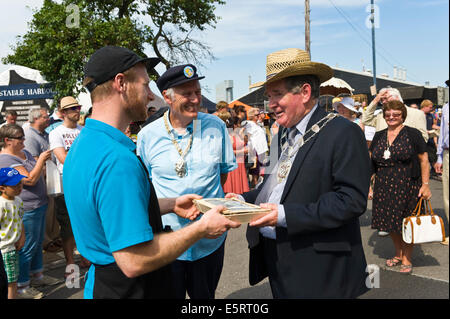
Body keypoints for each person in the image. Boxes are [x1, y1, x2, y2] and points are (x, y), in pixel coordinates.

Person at [63, 46, 240, 299]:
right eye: (145, 85)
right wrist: (202, 228)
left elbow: (112, 208)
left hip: (103, 284)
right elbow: (133, 260)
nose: (149, 96)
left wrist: (169, 204)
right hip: (127, 289)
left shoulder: (85, 144)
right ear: (121, 83)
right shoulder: (116, 159)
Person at [228, 48, 371, 298]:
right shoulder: (280, 135)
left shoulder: (343, 132)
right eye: (269, 96)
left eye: (277, 95)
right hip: (278, 259)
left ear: (305, 92)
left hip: (321, 267)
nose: (270, 104)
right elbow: (269, 188)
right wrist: (243, 200)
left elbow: (350, 201)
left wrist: (284, 215)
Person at [137, 63, 238, 299]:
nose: (195, 99)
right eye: (187, 94)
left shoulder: (216, 126)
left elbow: (223, 174)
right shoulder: (147, 136)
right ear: (167, 98)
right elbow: (146, 186)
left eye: (198, 92)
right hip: (168, 242)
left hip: (209, 241)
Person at [369, 100, 431, 274]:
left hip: (407, 184)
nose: (391, 117)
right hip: (384, 185)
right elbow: (372, 161)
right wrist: (369, 185)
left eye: (396, 114)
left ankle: (407, 257)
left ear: (402, 115)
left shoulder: (413, 134)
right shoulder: (379, 135)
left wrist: (426, 185)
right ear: (384, 116)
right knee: (390, 223)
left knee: (407, 223)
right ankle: (398, 253)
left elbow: (424, 160)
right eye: (388, 114)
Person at [0, 124, 56, 299]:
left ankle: (37, 276)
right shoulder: (5, 160)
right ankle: (23, 285)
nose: (24, 141)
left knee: (37, 243)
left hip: (38, 203)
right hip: (27, 206)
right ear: (8, 141)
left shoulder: (24, 153)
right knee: (26, 247)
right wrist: (40, 161)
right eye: (20, 138)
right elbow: (29, 180)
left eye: (24, 137)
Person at [49, 96, 85, 275]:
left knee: (84, 221)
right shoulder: (56, 133)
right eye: (72, 109)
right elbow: (63, 159)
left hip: (84, 183)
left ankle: (85, 255)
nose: (77, 111)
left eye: (78, 107)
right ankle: (70, 262)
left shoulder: (83, 130)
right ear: (63, 113)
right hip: (66, 185)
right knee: (67, 226)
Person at [361, 87, 428, 142]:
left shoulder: (417, 114)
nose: (383, 102)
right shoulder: (381, 115)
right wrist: (375, 101)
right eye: (381, 100)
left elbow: (423, 138)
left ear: (396, 97)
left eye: (385, 98)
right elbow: (365, 120)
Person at [0, 167, 26, 298]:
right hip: (4, 248)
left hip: (14, 247)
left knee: (13, 279)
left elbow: (20, 220)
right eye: (14, 185)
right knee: (11, 282)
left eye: (20, 183)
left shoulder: (18, 201)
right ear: (2, 188)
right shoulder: (1, 204)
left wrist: (22, 236)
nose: (19, 187)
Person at [434, 83, 449, 245]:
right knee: (447, 194)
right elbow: (442, 131)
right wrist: (439, 157)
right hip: (447, 153)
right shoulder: (446, 108)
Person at [222, 116, 250, 195]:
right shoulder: (229, 136)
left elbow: (246, 141)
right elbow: (228, 152)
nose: (240, 126)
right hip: (234, 164)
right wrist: (242, 151)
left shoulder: (237, 134)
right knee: (233, 190)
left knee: (239, 192)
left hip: (240, 164)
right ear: (235, 125)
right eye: (239, 124)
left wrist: (242, 134)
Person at [243, 108, 269, 188]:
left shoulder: (257, 124)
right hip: (255, 150)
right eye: (257, 115)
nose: (259, 116)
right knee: (255, 172)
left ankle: (258, 186)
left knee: (260, 170)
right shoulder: (249, 124)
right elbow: (247, 136)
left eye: (259, 114)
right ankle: (255, 188)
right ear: (252, 116)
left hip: (261, 150)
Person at [420, 99, 439, 178]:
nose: (431, 109)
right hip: (421, 140)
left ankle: (435, 171)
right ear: (424, 107)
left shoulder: (430, 115)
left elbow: (432, 125)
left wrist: (440, 128)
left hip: (430, 139)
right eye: (430, 107)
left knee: (433, 156)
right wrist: (425, 131)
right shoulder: (419, 115)